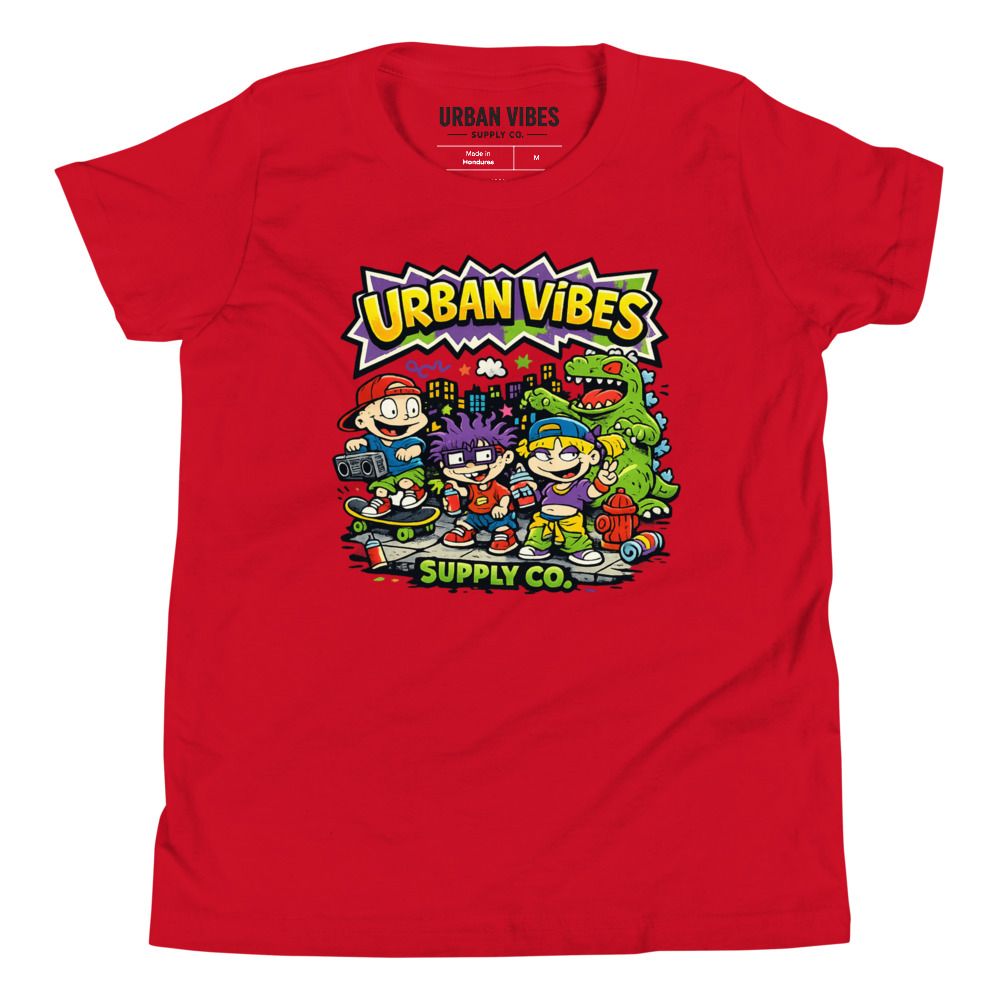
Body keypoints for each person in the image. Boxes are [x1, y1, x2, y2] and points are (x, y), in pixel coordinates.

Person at [517, 417, 624, 566]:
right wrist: (531, 489)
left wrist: (602, 482)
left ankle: (581, 550)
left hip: (570, 521)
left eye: (569, 454)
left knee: (575, 537)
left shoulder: (579, 485)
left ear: (592, 457)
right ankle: (537, 547)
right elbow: (539, 498)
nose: (554, 462)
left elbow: (591, 492)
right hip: (543, 519)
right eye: (543, 455)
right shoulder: (549, 486)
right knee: (537, 532)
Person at [338, 373, 428, 516]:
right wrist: (356, 443)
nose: (404, 417)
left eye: (413, 409)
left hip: (409, 470)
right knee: (381, 489)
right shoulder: (372, 439)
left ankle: (414, 492)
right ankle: (382, 503)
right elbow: (364, 446)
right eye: (391, 410)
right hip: (386, 475)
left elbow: (417, 447)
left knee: (405, 482)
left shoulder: (407, 439)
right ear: (361, 420)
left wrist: (409, 452)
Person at [429, 413, 519, 554]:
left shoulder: (496, 486)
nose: (470, 465)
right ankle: (466, 531)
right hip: (475, 516)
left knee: (501, 526)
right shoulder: (471, 486)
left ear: (506, 457)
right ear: (443, 465)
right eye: (458, 459)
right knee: (466, 522)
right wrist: (455, 491)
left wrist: (502, 507)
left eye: (484, 455)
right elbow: (466, 493)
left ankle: (505, 534)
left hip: (496, 516)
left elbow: (505, 496)